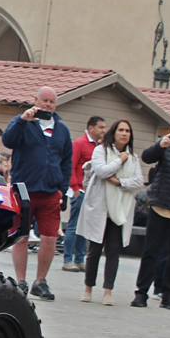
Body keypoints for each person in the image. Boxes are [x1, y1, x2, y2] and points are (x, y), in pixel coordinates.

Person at [1, 86, 72, 301]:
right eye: (45, 100)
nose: (48, 104)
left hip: (50, 191)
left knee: (50, 238)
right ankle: (20, 281)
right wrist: (22, 119)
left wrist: (62, 188)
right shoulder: (23, 123)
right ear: (36, 100)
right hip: (24, 190)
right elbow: (8, 141)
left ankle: (40, 281)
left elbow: (67, 161)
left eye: (52, 101)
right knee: (21, 237)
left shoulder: (62, 130)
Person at [131, 108, 170, 311]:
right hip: (160, 205)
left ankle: (169, 295)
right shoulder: (167, 142)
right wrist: (160, 145)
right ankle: (141, 293)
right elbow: (147, 158)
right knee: (151, 252)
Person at [75, 120, 143, 305]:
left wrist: (120, 183)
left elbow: (138, 181)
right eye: (121, 130)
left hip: (120, 210)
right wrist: (119, 160)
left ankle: (108, 291)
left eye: (127, 130)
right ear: (114, 132)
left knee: (113, 251)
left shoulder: (134, 158)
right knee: (94, 250)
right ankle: (88, 288)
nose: (124, 133)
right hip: (100, 207)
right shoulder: (100, 151)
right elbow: (102, 171)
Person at [62, 116, 106, 272]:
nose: (103, 130)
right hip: (79, 191)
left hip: (92, 192)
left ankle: (79, 259)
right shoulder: (79, 144)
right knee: (74, 226)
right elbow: (71, 167)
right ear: (91, 128)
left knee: (85, 227)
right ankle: (68, 259)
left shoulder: (100, 146)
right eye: (101, 127)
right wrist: (74, 189)